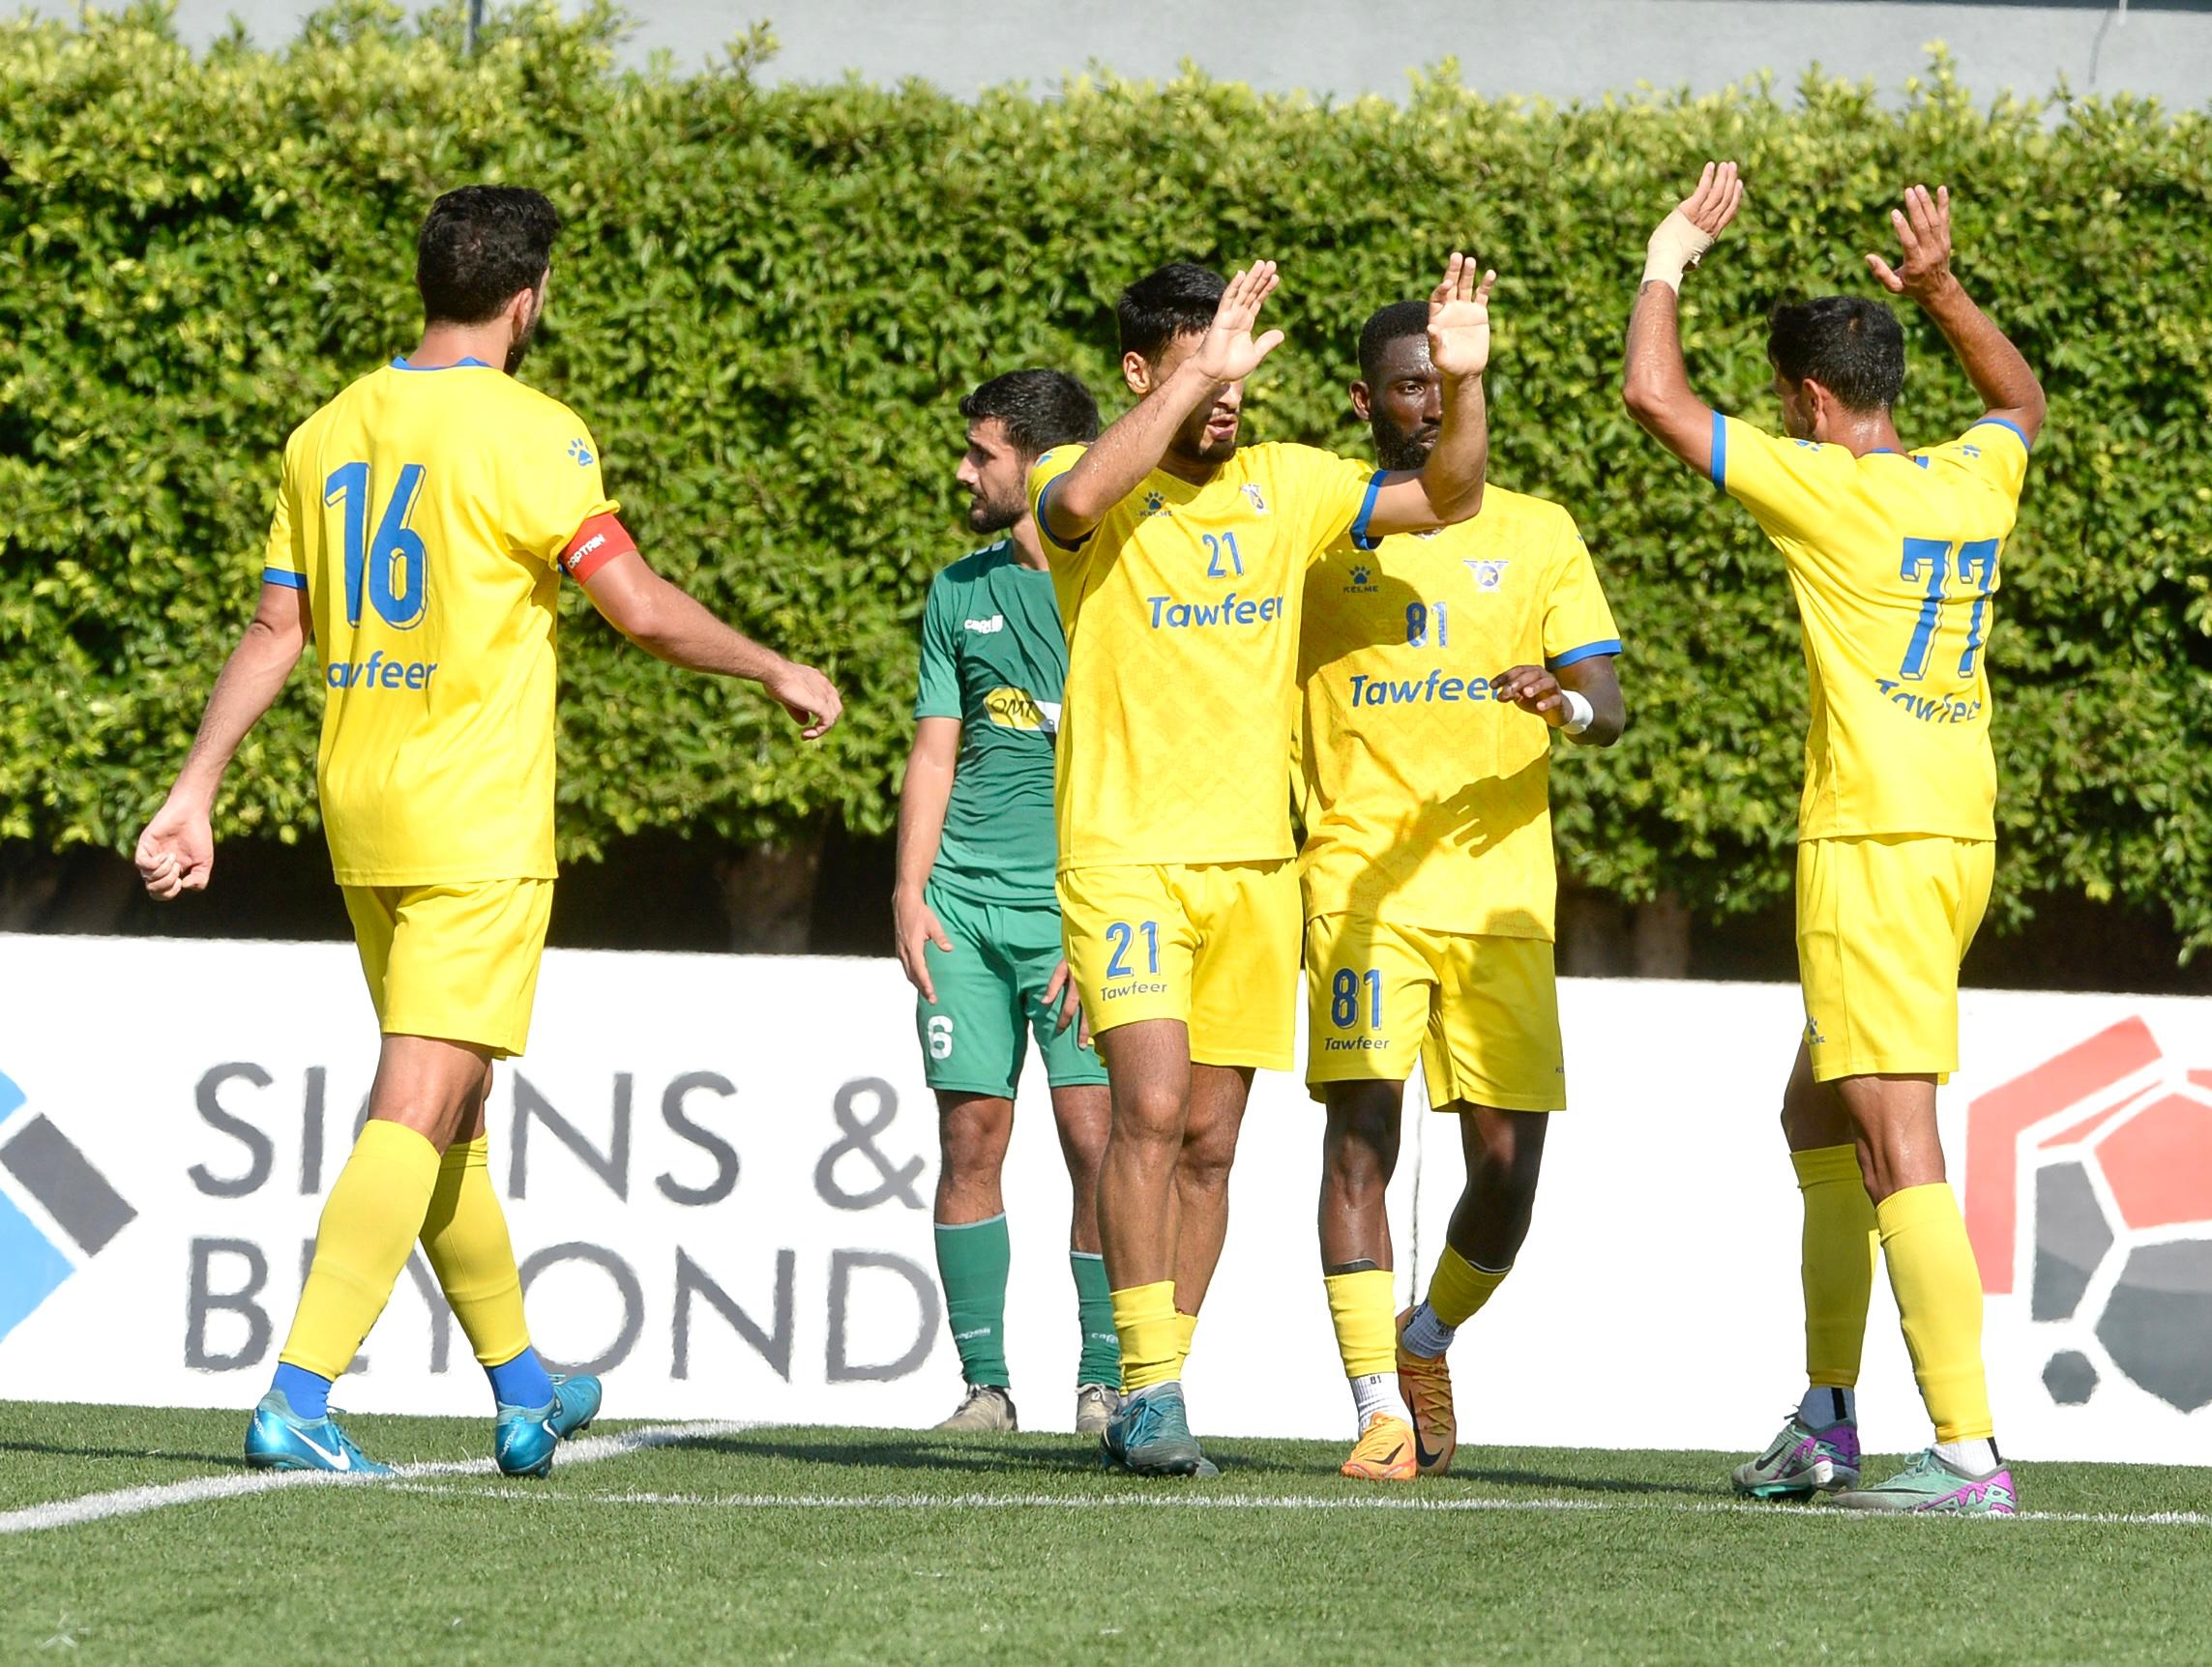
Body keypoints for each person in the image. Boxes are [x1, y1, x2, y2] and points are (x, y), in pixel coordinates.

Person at [134, 185, 841, 1477]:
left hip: (362, 806)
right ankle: (297, 1394)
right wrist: (772, 665)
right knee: (418, 1099)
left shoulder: (325, 430)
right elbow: (635, 604)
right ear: (528, 298)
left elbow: (277, 627)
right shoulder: (535, 430)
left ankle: (525, 1386)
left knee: (455, 1105)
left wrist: (197, 786)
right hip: (473, 818)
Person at [1030, 253, 1498, 1477]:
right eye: (1202, 364)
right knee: (1147, 1109)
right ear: (1140, 372)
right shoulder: (1086, 477)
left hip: (1255, 866)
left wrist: (1463, 380)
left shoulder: (1289, 484)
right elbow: (1074, 500)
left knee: (1210, 1142)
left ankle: (1157, 1383)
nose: (1230, 389)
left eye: (1241, 367)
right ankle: (1147, 1388)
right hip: (1124, 854)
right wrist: (1194, 383)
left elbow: (1448, 496)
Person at [1623, 164, 2044, 1514]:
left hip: (1870, 844)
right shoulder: (1968, 476)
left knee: (1891, 1140)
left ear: (1810, 401)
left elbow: (1654, 398)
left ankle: (1967, 1453)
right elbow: (2020, 401)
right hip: (1951, 833)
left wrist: (1667, 255)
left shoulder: (1823, 487)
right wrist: (1941, 285)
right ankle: (1826, 1416)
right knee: (1813, 1109)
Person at [1299, 302, 1624, 1481]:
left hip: (1499, 896)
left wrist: (1563, 702)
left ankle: (1426, 1334)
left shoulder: (1538, 530)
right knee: (1360, 1139)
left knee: (1506, 1174)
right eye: (1407, 384)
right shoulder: (1314, 534)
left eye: (1444, 383)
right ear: (1363, 401)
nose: (1430, 403)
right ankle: (1374, 1409)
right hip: (1358, 883)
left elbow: (1608, 705)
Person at [894, 368, 1123, 1437]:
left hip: (1082, 915)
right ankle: (985, 1386)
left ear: (1041, 463)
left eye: (981, 454)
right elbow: (934, 752)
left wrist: (1103, 910)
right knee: (971, 1135)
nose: (964, 471)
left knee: (1100, 1142)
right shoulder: (957, 589)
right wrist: (909, 891)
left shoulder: (1119, 581)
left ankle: (1106, 1382)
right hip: (964, 913)